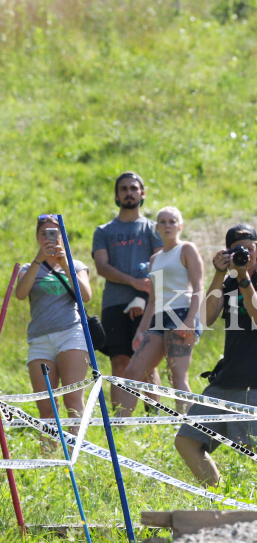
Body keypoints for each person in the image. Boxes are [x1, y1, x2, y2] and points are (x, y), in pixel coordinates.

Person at [174, 224, 257, 486]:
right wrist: (219, 274)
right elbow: (206, 317)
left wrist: (243, 279)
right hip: (227, 377)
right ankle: (218, 496)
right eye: (237, 250)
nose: (243, 254)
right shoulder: (227, 281)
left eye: (248, 248)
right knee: (187, 440)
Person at [117, 207, 205, 416]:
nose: (167, 225)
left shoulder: (187, 249)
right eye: (163, 222)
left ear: (180, 226)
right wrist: (141, 330)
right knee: (133, 372)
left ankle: (189, 430)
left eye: (172, 221)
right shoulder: (155, 259)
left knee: (177, 376)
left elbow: (199, 286)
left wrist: (191, 319)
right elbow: (153, 299)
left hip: (182, 315)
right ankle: (118, 427)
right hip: (158, 319)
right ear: (156, 228)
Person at [92, 171, 163, 410]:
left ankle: (153, 418)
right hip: (114, 303)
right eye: (123, 189)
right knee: (119, 362)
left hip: (148, 302)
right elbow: (102, 267)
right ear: (116, 195)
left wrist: (142, 296)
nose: (129, 193)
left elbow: (162, 265)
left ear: (142, 193)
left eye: (134, 188)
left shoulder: (153, 229)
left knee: (148, 361)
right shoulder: (103, 231)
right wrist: (133, 282)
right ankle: (120, 422)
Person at [15, 215, 92, 430]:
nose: (49, 238)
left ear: (63, 237)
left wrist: (64, 264)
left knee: (72, 401)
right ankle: (49, 457)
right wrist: (39, 259)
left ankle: (77, 454)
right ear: (38, 237)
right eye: (44, 234)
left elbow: (85, 295)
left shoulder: (76, 265)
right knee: (46, 406)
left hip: (71, 334)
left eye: (55, 234)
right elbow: (20, 294)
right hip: (40, 338)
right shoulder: (29, 267)